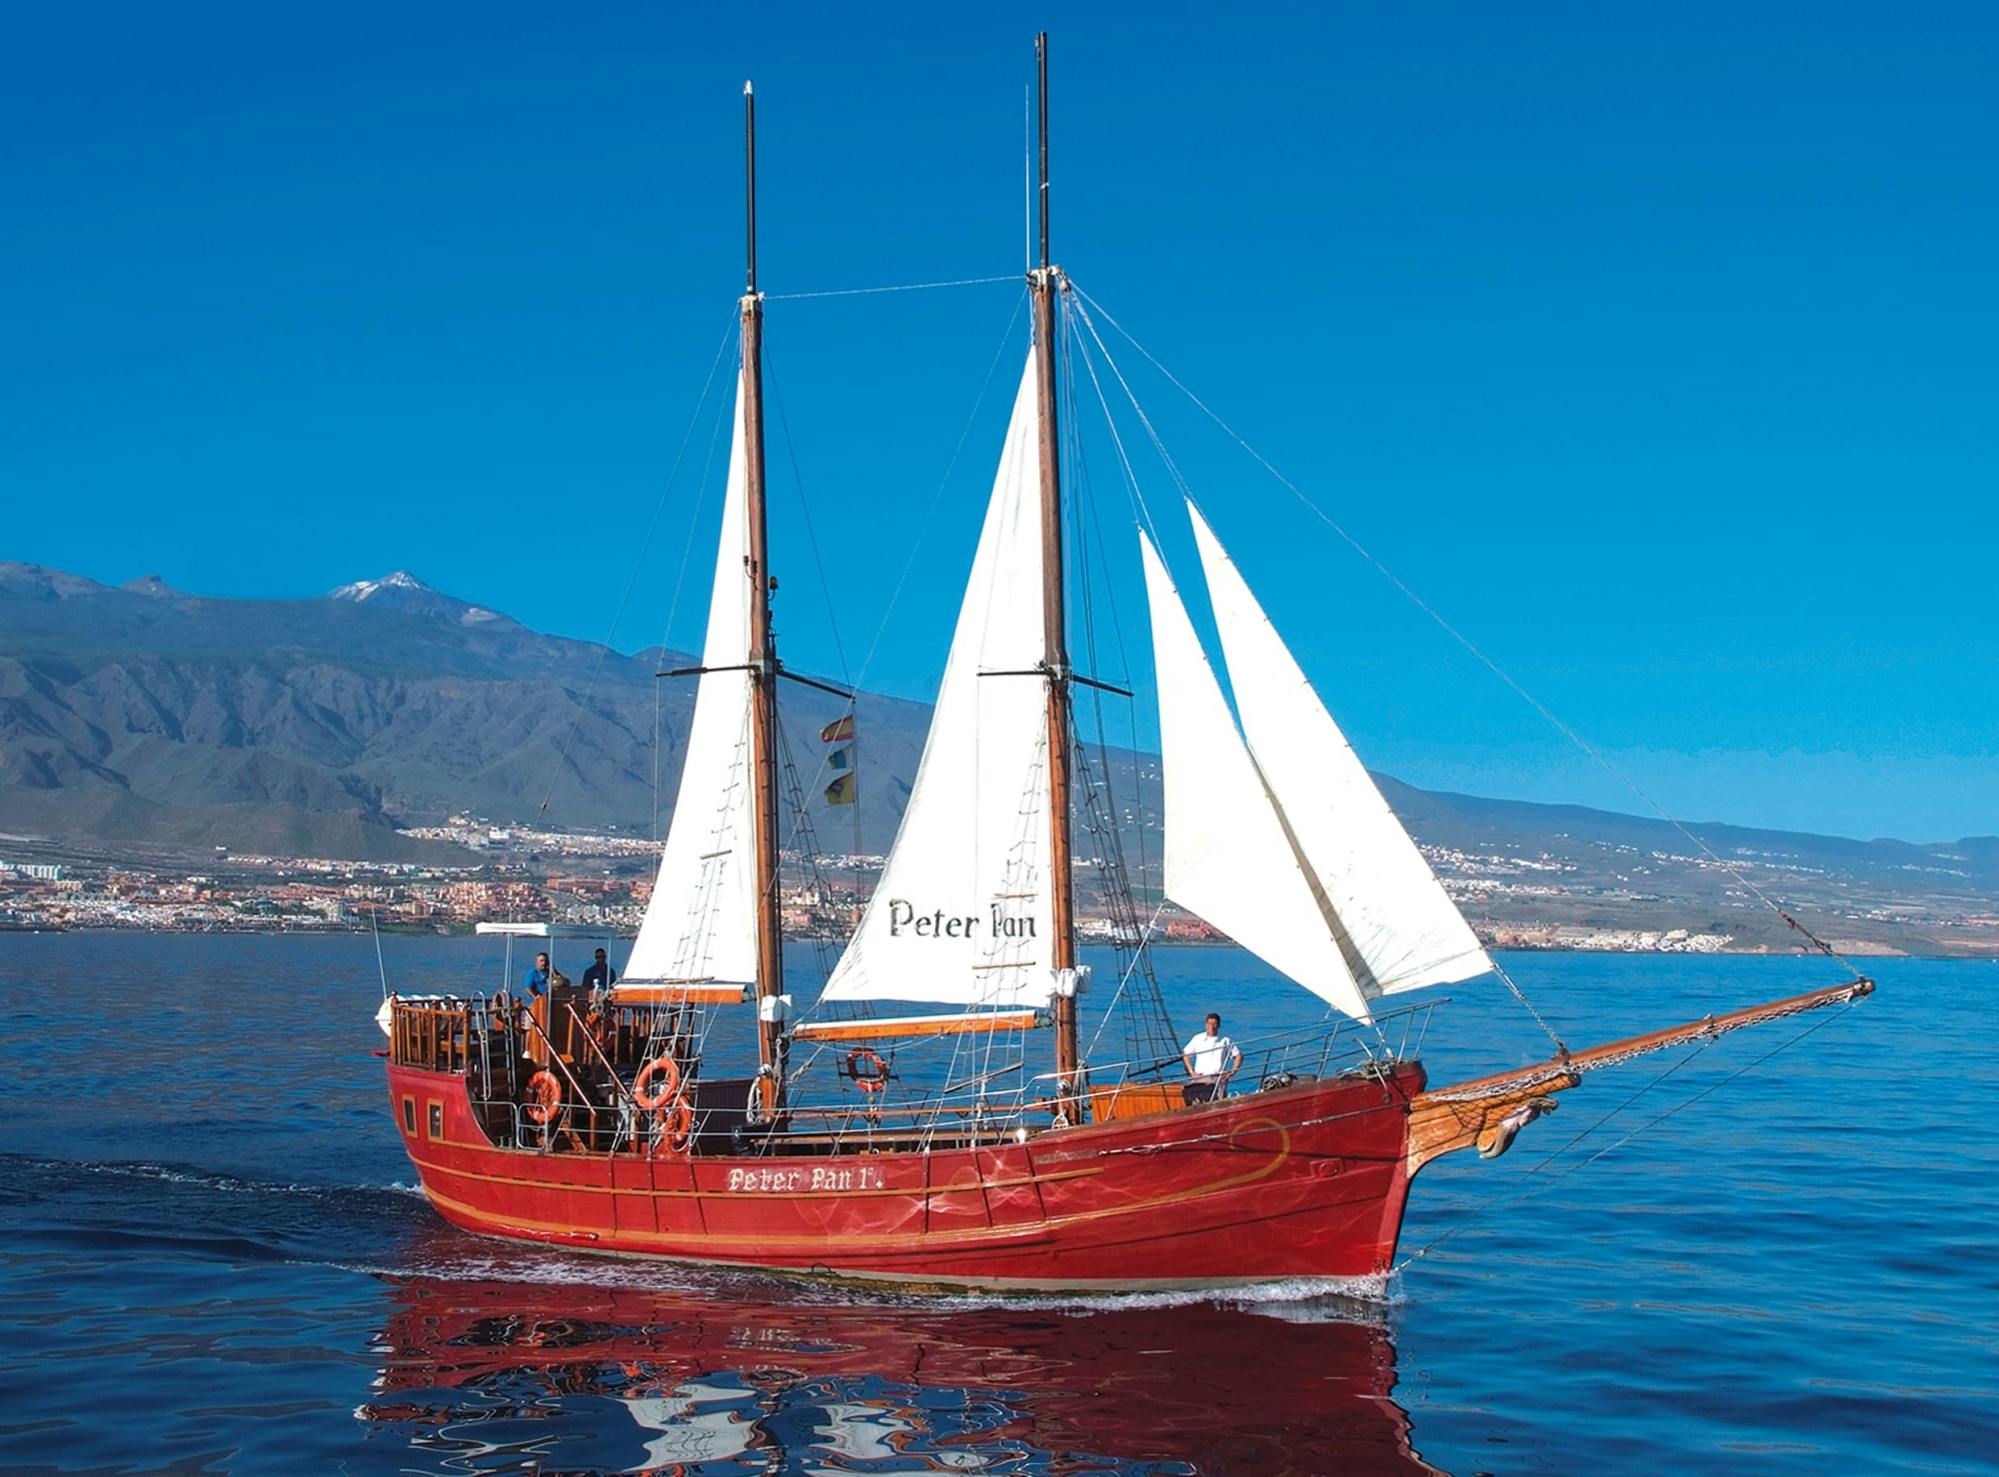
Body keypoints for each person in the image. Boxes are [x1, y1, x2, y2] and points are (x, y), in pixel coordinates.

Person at [1181, 1012, 1242, 1105]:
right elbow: (1186, 1054)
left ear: (1218, 1025)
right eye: (1209, 1024)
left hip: (1217, 1078)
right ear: (1206, 1025)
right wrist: (1191, 1072)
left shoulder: (1225, 1040)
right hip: (1200, 1077)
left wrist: (1233, 1072)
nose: (1212, 1027)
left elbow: (1238, 1055)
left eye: (1214, 1024)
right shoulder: (1198, 1038)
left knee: (1218, 1102)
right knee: (1193, 1098)